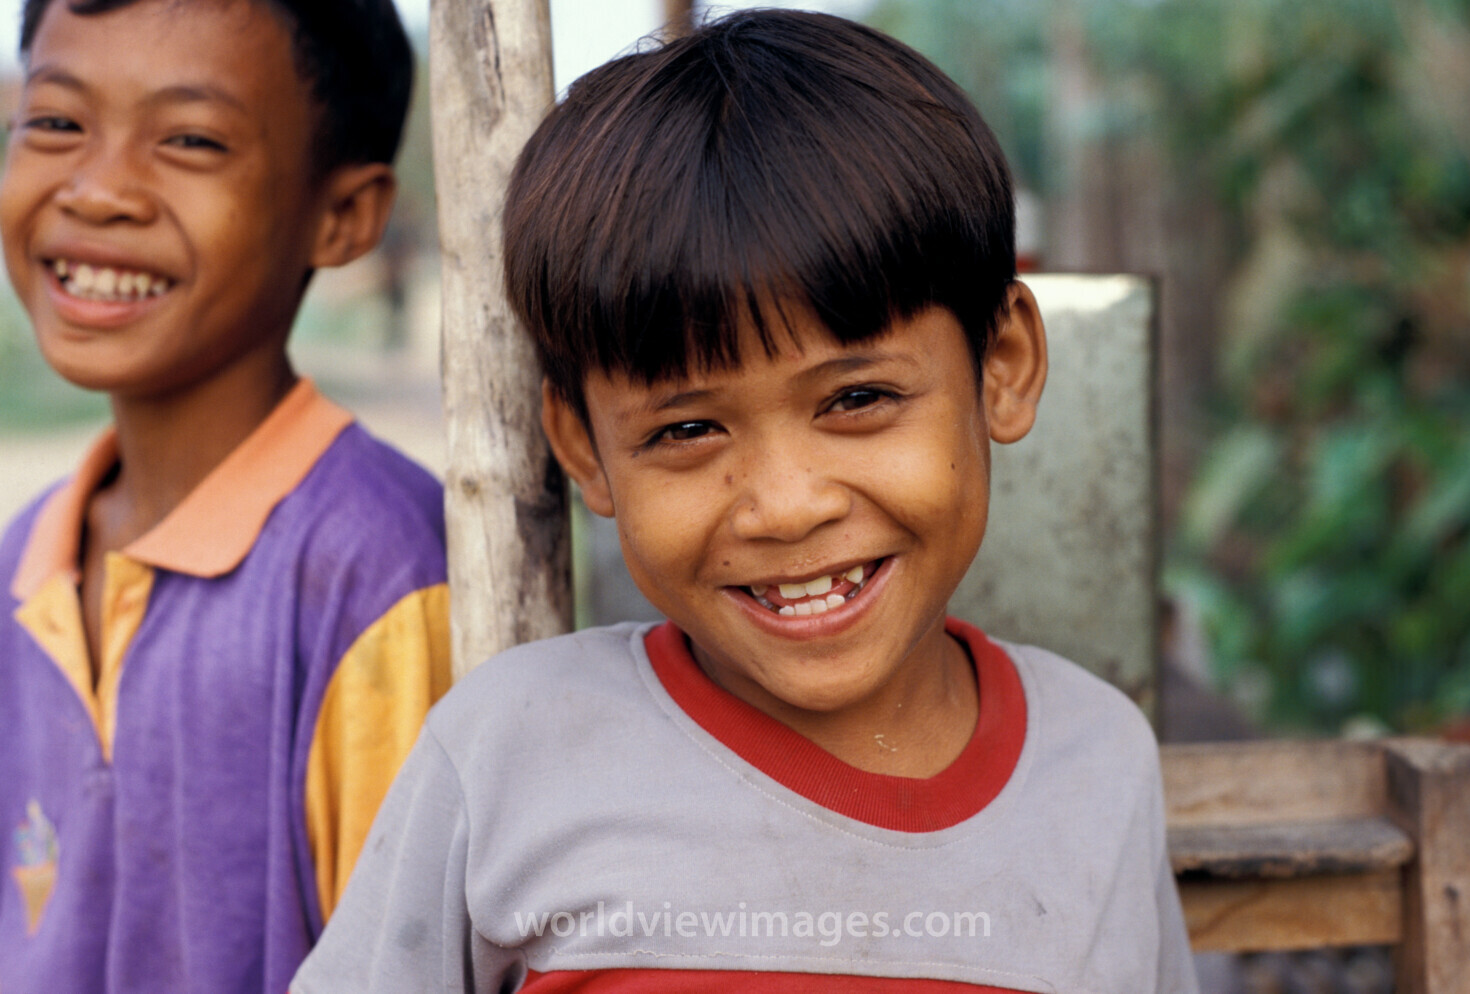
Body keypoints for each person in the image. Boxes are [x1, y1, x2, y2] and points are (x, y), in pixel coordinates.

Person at [295, 10, 1197, 993]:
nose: (785, 507)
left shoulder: (1097, 766)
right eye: (687, 431)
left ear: (1004, 366)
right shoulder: (506, 755)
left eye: (858, 400)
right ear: (583, 450)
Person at [0, 1, 450, 991]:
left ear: (342, 216)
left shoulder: (377, 574)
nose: (99, 189)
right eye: (56, 122)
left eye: (191, 139)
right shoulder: (22, 564)